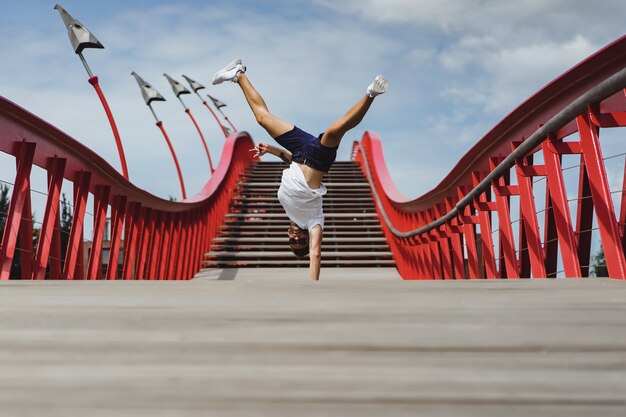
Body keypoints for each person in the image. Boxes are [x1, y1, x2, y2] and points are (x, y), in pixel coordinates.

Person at [212, 59, 388, 280]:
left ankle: (238, 74)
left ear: (287, 235)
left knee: (263, 118)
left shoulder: (288, 209)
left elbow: (291, 165)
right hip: (318, 159)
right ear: (306, 236)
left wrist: (272, 150)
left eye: (293, 241)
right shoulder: (314, 221)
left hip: (298, 152)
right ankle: (371, 93)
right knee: (336, 130)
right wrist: (312, 289)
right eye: (300, 241)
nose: (297, 238)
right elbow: (315, 254)